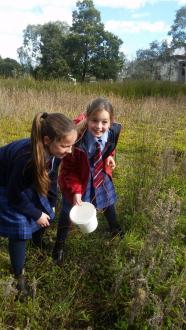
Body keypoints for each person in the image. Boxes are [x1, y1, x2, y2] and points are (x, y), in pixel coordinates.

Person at [0, 112, 77, 297]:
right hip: (5, 183)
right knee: (19, 227)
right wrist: (36, 214)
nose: (70, 150)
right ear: (47, 140)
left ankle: (37, 240)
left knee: (47, 212)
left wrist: (50, 204)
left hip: (20, 181)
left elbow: (50, 179)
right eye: (65, 145)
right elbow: (14, 195)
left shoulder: (54, 153)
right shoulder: (27, 160)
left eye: (72, 145)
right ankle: (19, 277)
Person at [52, 97, 124, 264]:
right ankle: (59, 246)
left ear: (111, 121)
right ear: (87, 118)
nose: (99, 126)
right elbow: (68, 171)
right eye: (94, 121)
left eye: (104, 122)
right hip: (78, 177)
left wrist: (110, 157)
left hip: (99, 171)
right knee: (69, 210)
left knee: (106, 201)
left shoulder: (113, 131)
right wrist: (76, 190)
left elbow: (109, 147)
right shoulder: (75, 141)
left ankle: (115, 228)